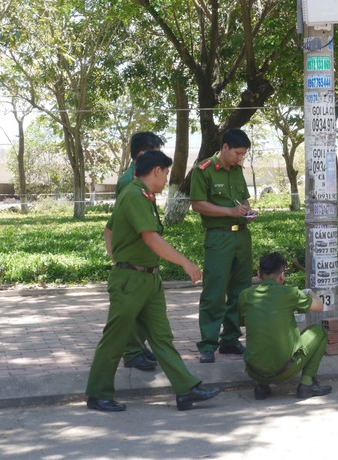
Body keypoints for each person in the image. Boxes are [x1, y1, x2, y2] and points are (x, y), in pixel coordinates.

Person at [86, 150, 221, 412]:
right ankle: (97, 394)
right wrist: (184, 262)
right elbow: (150, 238)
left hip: (149, 278)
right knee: (115, 339)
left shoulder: (143, 196)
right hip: (131, 281)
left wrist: (119, 257)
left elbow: (109, 228)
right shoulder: (135, 195)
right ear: (156, 171)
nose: (167, 177)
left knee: (162, 338)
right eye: (167, 172)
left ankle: (185, 389)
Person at [190, 129, 257, 364]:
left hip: (242, 237)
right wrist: (229, 212)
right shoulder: (204, 170)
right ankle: (208, 344)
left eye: (243, 155)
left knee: (240, 291)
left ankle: (230, 340)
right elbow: (198, 205)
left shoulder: (237, 171)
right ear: (225, 147)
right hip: (218, 237)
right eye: (238, 153)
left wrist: (248, 211)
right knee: (215, 291)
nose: (240, 158)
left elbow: (244, 199)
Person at [105, 131, 166, 372]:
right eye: (156, 153)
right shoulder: (131, 182)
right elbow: (117, 222)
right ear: (143, 153)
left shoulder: (139, 178)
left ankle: (137, 347)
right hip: (133, 256)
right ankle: (131, 352)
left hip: (142, 255)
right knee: (129, 307)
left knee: (142, 306)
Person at [239, 252, 332, 400]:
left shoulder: (245, 295)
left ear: (258, 274)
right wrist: (309, 292)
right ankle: (307, 384)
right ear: (282, 276)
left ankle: (261, 386)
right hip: (285, 370)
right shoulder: (290, 292)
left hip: (254, 370)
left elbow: (242, 322)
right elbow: (319, 307)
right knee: (320, 331)